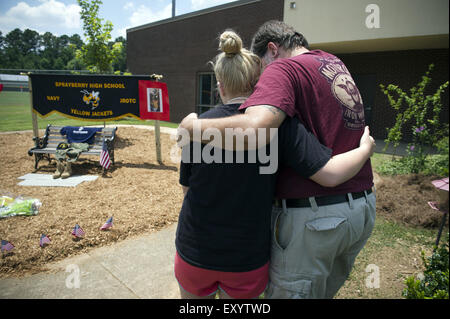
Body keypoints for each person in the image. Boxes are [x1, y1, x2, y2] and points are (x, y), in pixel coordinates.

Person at [178, 21, 376, 299]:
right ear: (254, 81)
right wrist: (365, 149)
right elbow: (328, 171)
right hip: (251, 257)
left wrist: (191, 128)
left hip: (195, 249)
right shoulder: (330, 63)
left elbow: (188, 190)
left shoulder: (275, 88)